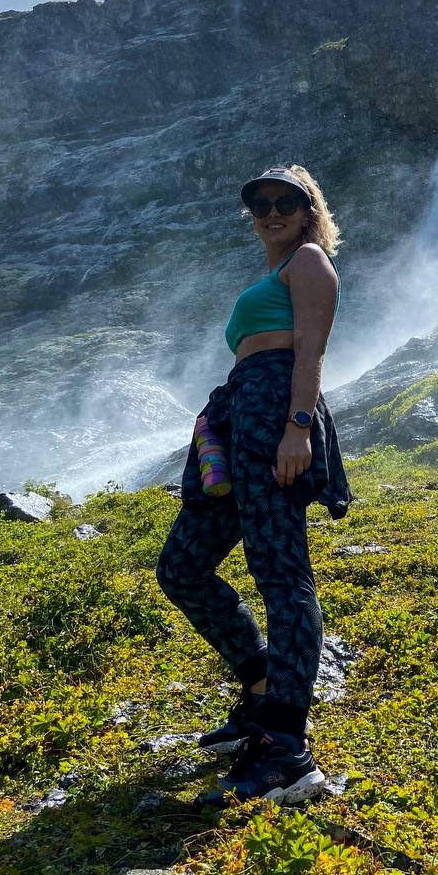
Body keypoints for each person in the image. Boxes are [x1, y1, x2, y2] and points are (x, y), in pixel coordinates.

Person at [156, 164, 352, 804]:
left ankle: (287, 745)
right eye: (261, 204)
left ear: (307, 213)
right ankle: (261, 684)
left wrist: (296, 428)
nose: (271, 212)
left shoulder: (309, 263)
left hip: (274, 410)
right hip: (240, 411)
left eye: (286, 203)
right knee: (182, 566)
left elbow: (311, 352)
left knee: (279, 569)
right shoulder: (272, 273)